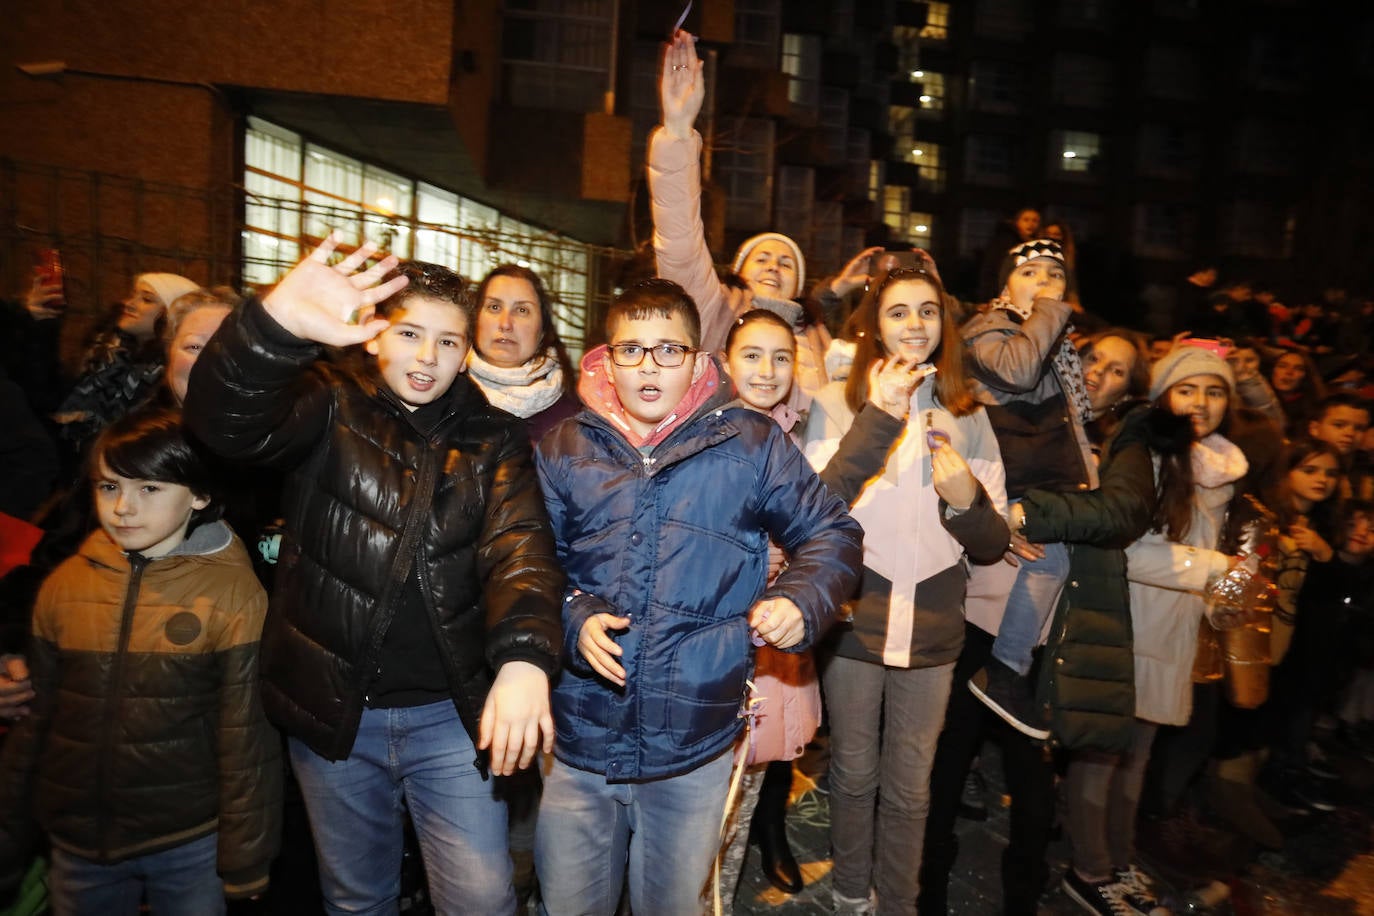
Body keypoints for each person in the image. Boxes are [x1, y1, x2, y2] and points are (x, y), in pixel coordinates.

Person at [184, 235, 566, 916]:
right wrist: (272, 327)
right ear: (372, 336)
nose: (428, 357)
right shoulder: (328, 404)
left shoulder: (492, 437)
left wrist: (526, 658)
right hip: (335, 714)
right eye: (411, 333)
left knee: (480, 899)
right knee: (357, 899)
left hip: (450, 720)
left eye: (449, 341)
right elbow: (224, 424)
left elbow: (522, 554)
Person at [532, 278, 862, 916]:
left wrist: (800, 596)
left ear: (697, 361)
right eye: (632, 350)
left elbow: (834, 533)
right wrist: (571, 615)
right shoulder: (565, 446)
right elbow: (525, 565)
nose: (649, 366)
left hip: (695, 736)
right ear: (606, 358)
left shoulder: (751, 443)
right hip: (581, 735)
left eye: (668, 351)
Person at [0, 406, 282, 913]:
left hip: (188, 840)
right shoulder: (66, 586)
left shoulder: (233, 595)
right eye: (109, 487)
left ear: (199, 495)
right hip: (77, 838)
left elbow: (246, 740)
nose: (124, 508)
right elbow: (35, 722)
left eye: (149, 489)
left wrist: (245, 859)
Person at [921, 327, 1155, 916]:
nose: (1100, 372)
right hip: (978, 614)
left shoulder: (1121, 441)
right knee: (948, 761)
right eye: (1093, 357)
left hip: (1050, 631)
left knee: (1031, 783)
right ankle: (925, 892)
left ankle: (1021, 897)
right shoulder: (1024, 412)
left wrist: (1023, 512)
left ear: (1132, 388)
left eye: (1119, 369)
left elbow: (1118, 512)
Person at [802, 265, 1009, 915]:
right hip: (855, 618)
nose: (914, 325)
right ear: (873, 323)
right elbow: (813, 509)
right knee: (854, 773)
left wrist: (964, 503)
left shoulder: (969, 412)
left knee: (912, 787)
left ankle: (898, 901)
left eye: (927, 312)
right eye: (898, 311)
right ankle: (847, 894)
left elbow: (993, 540)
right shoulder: (834, 402)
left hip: (933, 625)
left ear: (944, 325)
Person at [650, 30, 832, 413]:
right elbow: (679, 239)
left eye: (785, 263)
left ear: (798, 285)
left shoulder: (818, 338)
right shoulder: (713, 310)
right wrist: (678, 131)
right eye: (762, 258)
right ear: (737, 270)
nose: (774, 266)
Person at [961, 238, 1099, 740]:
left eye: (1056, 276)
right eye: (1031, 273)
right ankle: (1004, 671)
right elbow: (1017, 373)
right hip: (1004, 494)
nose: (1045, 284)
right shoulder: (987, 330)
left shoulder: (1054, 346)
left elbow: (1073, 424)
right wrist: (1049, 311)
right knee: (1049, 565)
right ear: (1005, 285)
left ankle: (1008, 676)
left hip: (1042, 491)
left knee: (1054, 568)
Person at [709, 308, 820, 909]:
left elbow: (817, 536)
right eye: (752, 354)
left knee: (742, 793)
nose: (767, 369)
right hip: (704, 637)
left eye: (781, 357)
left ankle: (718, 900)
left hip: (765, 639)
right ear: (725, 361)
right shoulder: (698, 431)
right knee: (692, 800)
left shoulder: (792, 441)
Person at [468, 264, 582, 443]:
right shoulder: (438, 398)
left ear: (542, 330)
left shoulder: (574, 424)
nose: (505, 323)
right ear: (475, 319)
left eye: (522, 310)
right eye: (494, 307)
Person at [975, 206, 1041, 303]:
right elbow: (993, 270)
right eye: (1026, 220)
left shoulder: (1036, 244)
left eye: (1035, 221)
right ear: (1017, 222)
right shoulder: (1005, 242)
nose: (1030, 224)